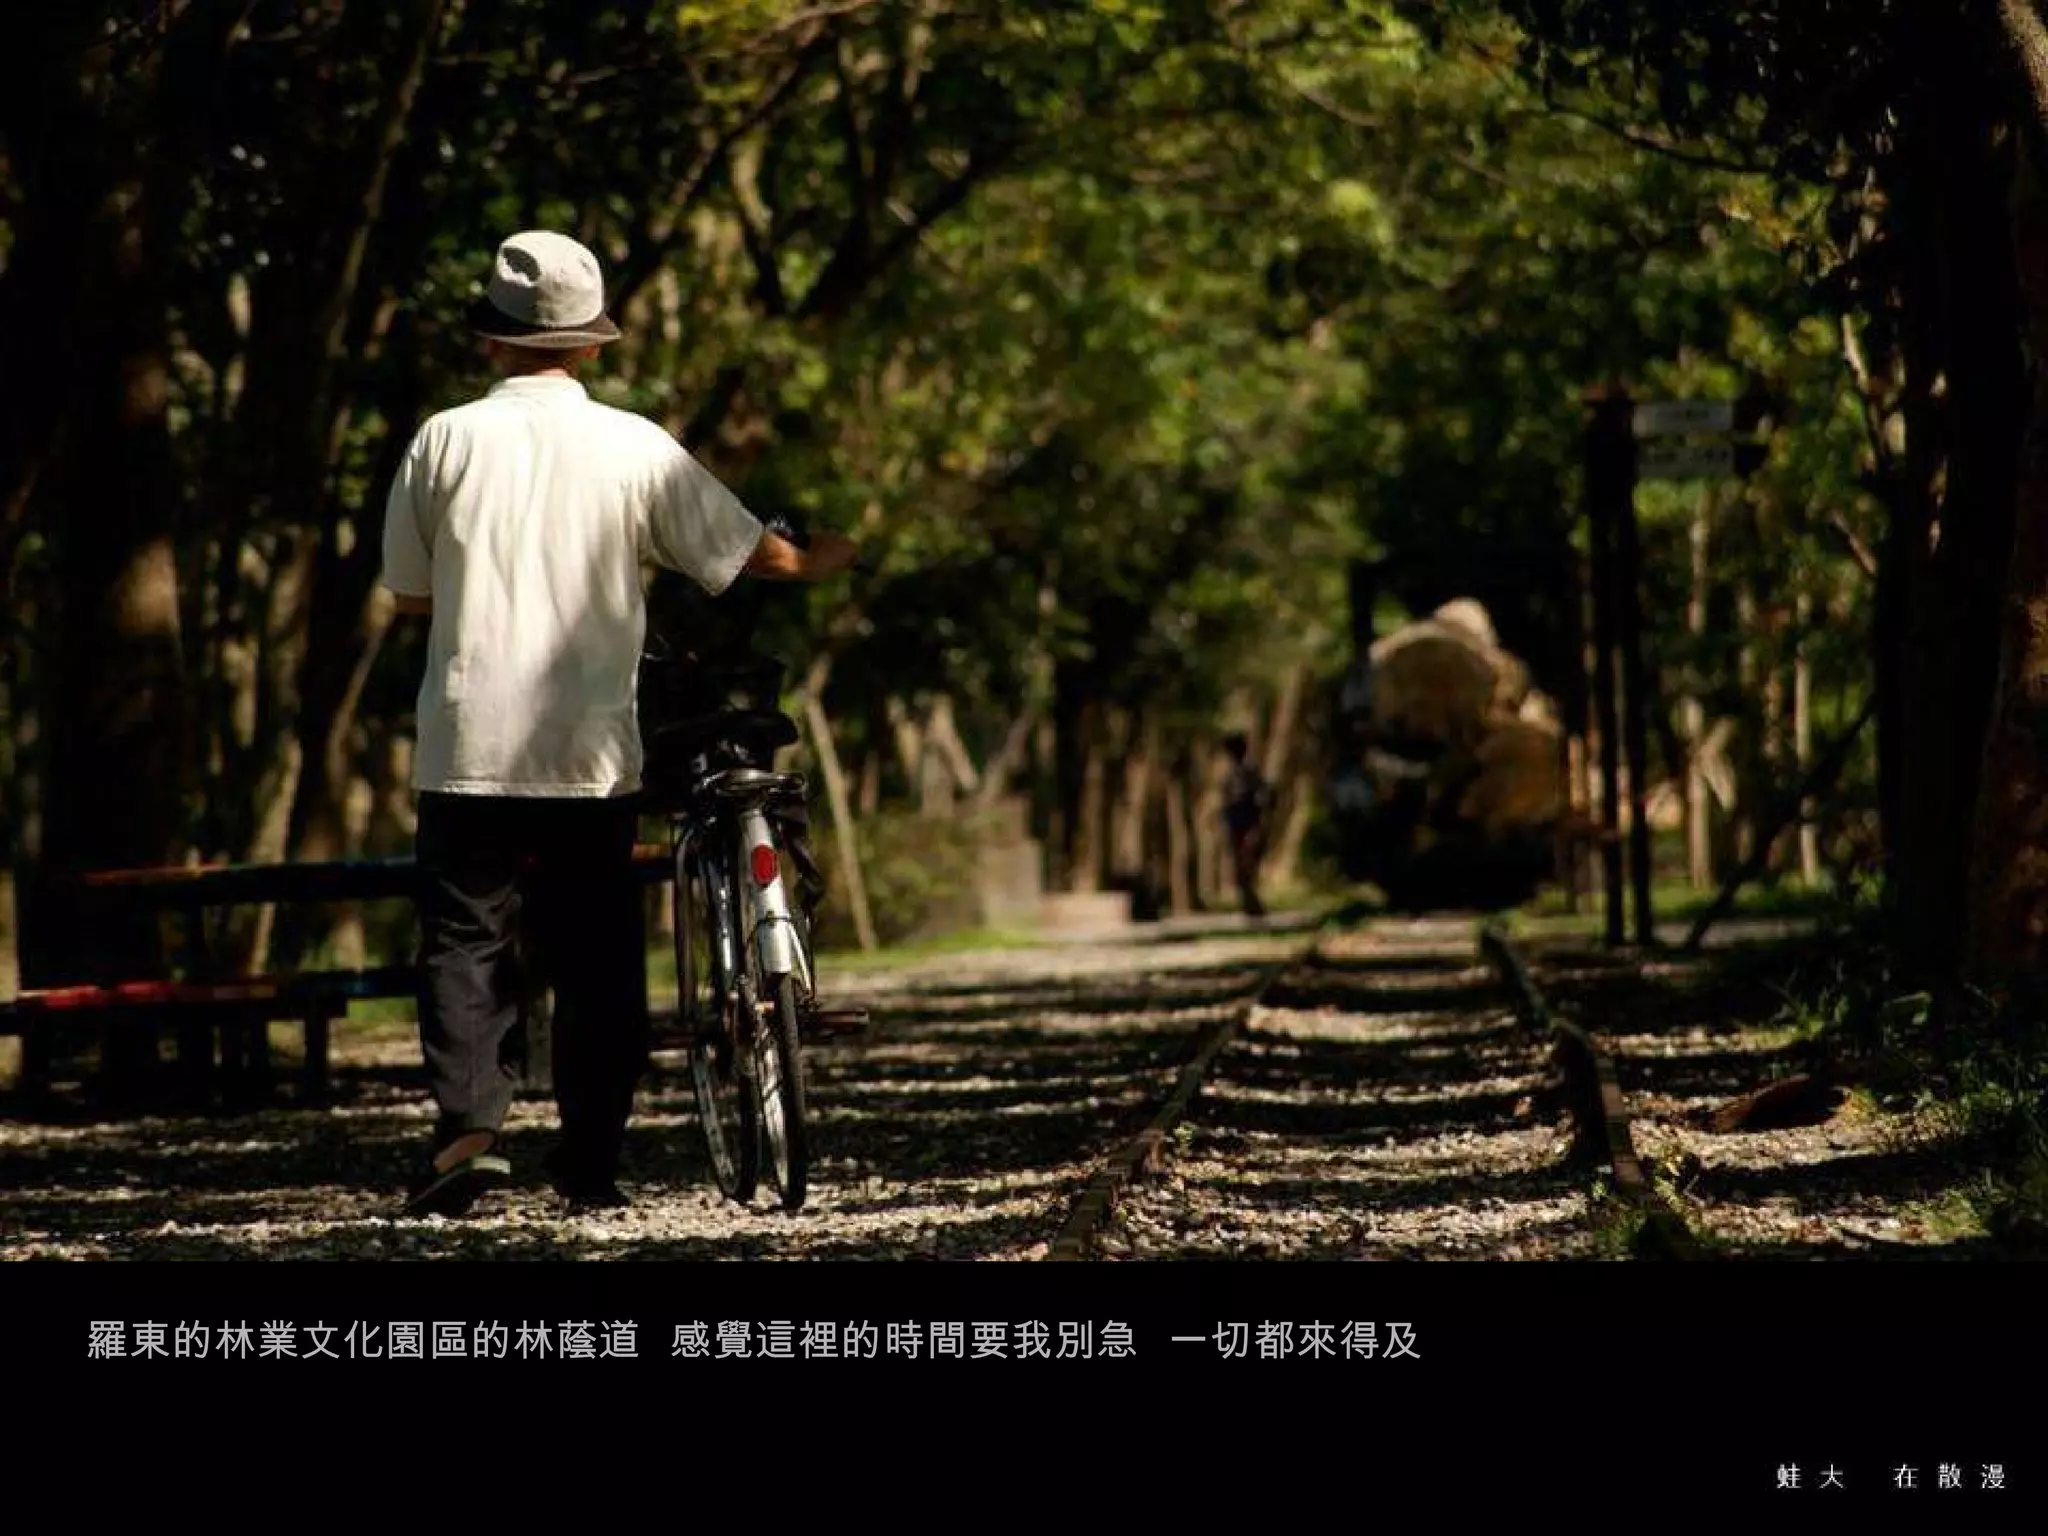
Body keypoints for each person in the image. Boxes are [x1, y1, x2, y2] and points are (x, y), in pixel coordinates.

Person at [380, 229, 856, 1217]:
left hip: (466, 742)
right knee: (597, 958)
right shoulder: (632, 444)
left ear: (491, 340)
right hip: (590, 754)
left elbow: (411, 597)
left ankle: (469, 1129)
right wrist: (823, 557)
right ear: (593, 344)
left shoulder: (443, 439)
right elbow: (742, 555)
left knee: (464, 946)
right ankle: (589, 1158)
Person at [1220, 733, 1272, 919]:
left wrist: (1258, 823)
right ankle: (1249, 903)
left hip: (1249, 825)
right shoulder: (1229, 776)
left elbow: (1263, 798)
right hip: (1236, 826)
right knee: (1240, 866)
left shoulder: (1251, 773)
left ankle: (1252, 902)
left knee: (1249, 864)